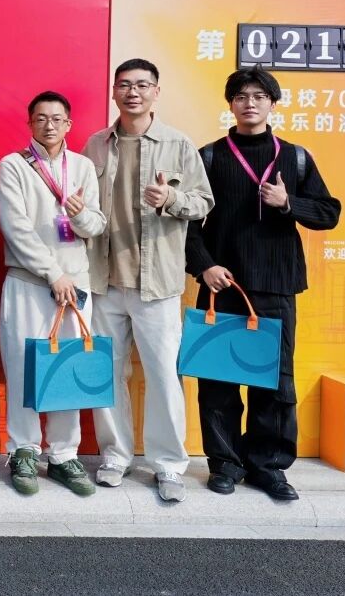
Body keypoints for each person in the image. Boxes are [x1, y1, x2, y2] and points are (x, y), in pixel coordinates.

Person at [186, 67, 340, 500]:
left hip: (275, 285)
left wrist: (288, 202)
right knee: (217, 380)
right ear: (230, 104)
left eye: (258, 96)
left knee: (274, 381)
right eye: (241, 96)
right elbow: (187, 223)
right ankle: (224, 464)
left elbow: (329, 213)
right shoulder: (209, 157)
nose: (249, 103)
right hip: (221, 285)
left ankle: (267, 466)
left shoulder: (295, 157)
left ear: (272, 103)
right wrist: (204, 267)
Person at [81, 59, 213, 502]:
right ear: (113, 92)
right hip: (104, 281)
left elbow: (203, 202)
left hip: (157, 284)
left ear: (156, 91)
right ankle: (115, 456)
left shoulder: (178, 144)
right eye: (124, 85)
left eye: (142, 85)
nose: (132, 92)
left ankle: (169, 465)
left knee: (163, 375)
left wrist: (171, 197)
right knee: (107, 373)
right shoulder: (96, 144)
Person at [0, 92, 106, 496]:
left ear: (68, 125)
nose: (49, 125)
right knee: (23, 366)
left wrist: (79, 215)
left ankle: (62, 455)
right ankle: (24, 450)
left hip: (75, 284)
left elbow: (95, 225)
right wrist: (52, 273)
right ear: (30, 123)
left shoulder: (82, 166)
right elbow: (15, 228)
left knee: (68, 368)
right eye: (41, 118)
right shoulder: (13, 165)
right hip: (29, 281)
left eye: (57, 119)